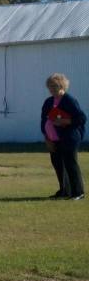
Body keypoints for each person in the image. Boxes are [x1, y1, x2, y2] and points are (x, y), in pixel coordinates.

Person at [41, 73, 85, 201]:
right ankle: (64, 190)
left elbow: (81, 118)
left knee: (71, 164)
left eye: (54, 86)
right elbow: (44, 121)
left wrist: (66, 121)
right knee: (58, 165)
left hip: (69, 139)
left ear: (62, 86)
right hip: (53, 140)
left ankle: (78, 192)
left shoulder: (69, 100)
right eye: (50, 86)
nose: (51, 89)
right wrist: (47, 138)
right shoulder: (48, 101)